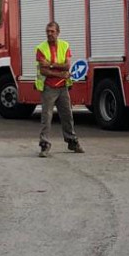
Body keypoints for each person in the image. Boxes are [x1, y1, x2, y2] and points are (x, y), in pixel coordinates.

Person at [36, 21, 84, 157]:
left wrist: (51, 64)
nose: (49, 34)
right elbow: (43, 71)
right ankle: (44, 145)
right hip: (49, 87)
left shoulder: (65, 45)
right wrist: (59, 71)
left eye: (52, 31)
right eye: (48, 31)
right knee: (46, 117)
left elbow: (67, 66)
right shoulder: (40, 48)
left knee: (67, 115)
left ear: (58, 32)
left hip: (63, 87)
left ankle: (72, 141)